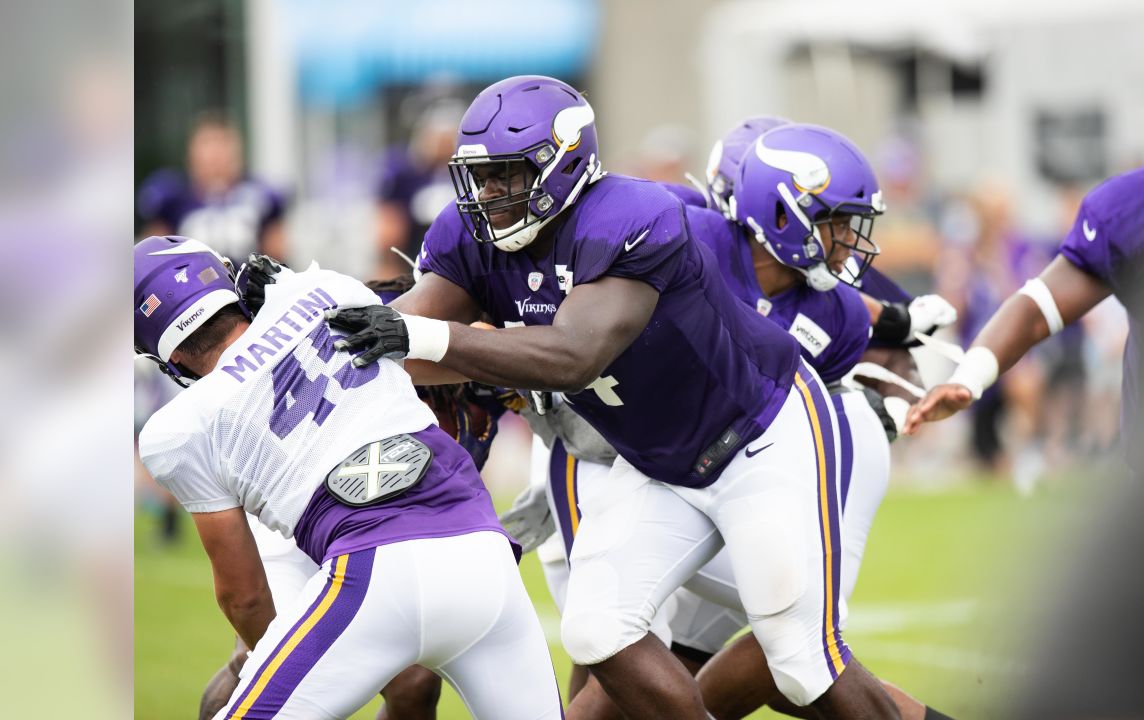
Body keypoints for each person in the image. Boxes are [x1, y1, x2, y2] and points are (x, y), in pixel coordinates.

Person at [326, 75, 900, 719]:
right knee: (598, 630)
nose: (489, 195)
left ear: (564, 163)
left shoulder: (631, 216)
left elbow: (574, 355)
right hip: (655, 460)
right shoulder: (470, 232)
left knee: (800, 660)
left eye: (508, 175)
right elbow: (409, 337)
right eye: (480, 177)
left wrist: (419, 335)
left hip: (758, 435)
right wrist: (304, 315)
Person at [134, 235, 561, 719]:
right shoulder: (326, 289)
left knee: (256, 677)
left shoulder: (176, 430)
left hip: (369, 566)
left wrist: (288, 666)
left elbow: (245, 596)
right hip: (484, 553)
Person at [902, 167, 1144, 477]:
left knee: (1028, 380)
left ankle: (1032, 450)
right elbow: (1036, 308)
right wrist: (968, 377)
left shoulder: (1021, 249)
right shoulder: (1132, 206)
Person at [137, 111, 287, 266]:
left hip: (248, 287)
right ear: (191, 154)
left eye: (223, 143)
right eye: (207, 144)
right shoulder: (174, 197)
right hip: (191, 287)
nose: (216, 154)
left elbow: (278, 259)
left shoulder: (260, 196)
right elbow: (152, 259)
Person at [373, 100, 466, 280]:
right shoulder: (405, 174)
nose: (443, 144)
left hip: (468, 260)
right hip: (414, 261)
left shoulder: (474, 172)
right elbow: (389, 231)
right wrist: (389, 267)